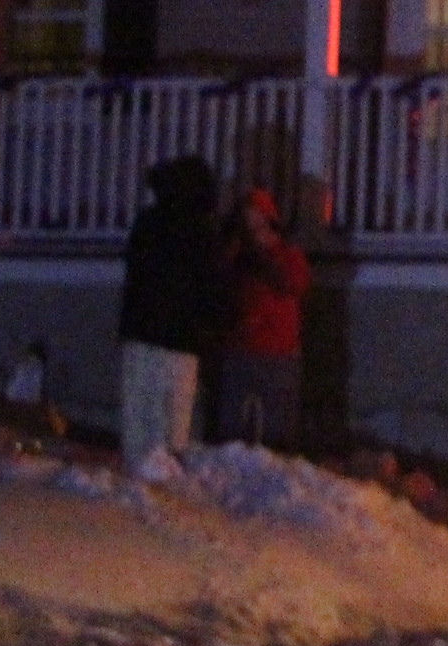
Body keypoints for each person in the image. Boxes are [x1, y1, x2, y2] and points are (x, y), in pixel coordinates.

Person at [116, 154, 221, 473]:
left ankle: (137, 475)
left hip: (141, 331)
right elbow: (210, 286)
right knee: (174, 419)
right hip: (181, 338)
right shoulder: (201, 229)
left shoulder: (148, 223)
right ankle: (168, 478)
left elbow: (135, 274)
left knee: (139, 416)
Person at [218, 186, 308, 449]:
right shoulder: (235, 257)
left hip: (278, 353)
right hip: (240, 350)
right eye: (248, 221)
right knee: (234, 434)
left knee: (276, 432)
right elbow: (221, 289)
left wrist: (265, 256)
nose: (254, 229)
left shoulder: (287, 254)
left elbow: (295, 283)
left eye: (259, 219)